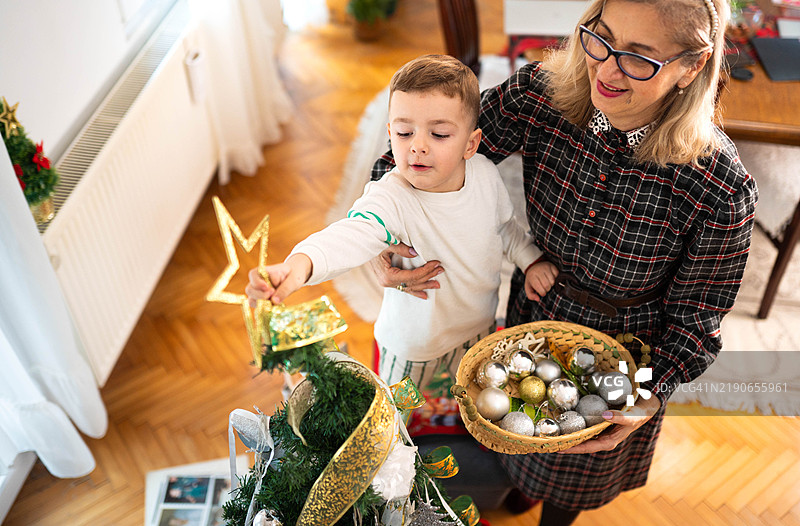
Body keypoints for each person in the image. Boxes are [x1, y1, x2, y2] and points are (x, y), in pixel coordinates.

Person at [369, 0, 757, 524]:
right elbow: (431, 141)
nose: (605, 68)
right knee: (514, 431)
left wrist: (645, 396)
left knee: (570, 486)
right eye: (601, 37)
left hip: (621, 358)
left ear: (691, 66)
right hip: (535, 306)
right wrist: (386, 225)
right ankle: (520, 486)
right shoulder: (540, 94)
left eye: (639, 58)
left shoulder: (720, 187)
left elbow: (695, 325)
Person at [246, 54, 559, 391]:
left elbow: (505, 229)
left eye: (439, 134)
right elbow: (351, 235)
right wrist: (298, 266)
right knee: (394, 418)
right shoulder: (392, 197)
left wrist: (531, 260)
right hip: (411, 344)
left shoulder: (484, 173)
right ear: (390, 133)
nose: (418, 146)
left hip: (477, 329)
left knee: (473, 399)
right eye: (404, 132)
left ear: (471, 144)